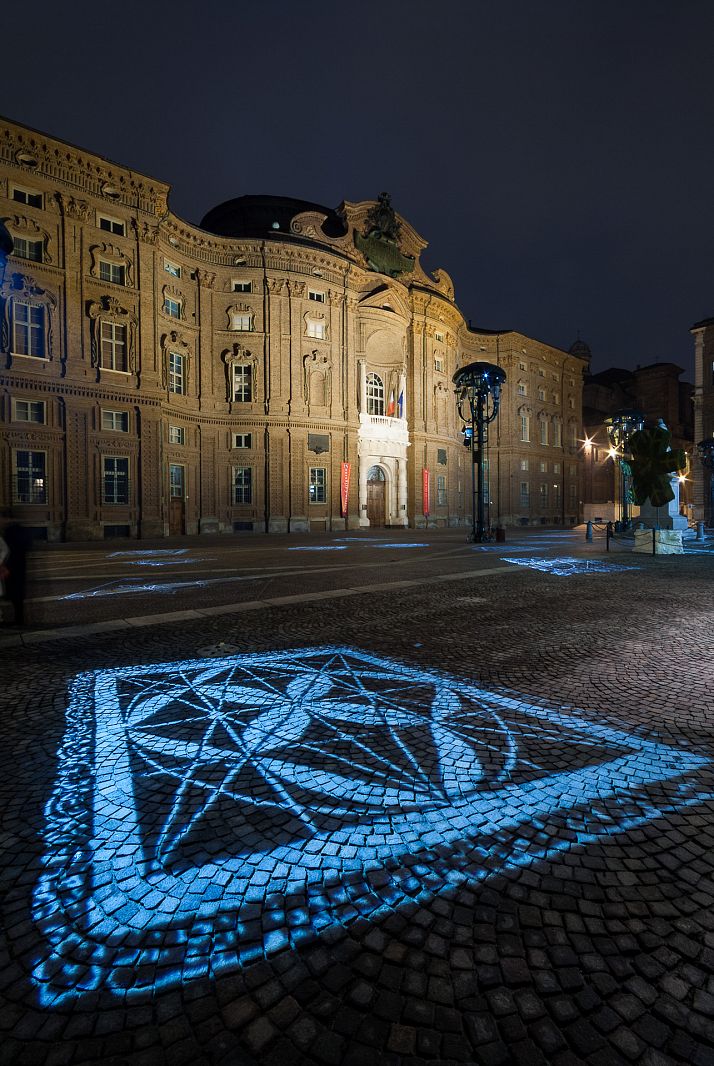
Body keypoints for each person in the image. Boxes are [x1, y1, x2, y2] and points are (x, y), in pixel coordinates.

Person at [0, 511, 31, 626]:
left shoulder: (10, 531)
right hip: (19, 567)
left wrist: (6, 566)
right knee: (17, 596)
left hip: (13, 568)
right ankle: (19, 619)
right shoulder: (20, 529)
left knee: (15, 595)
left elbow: (8, 550)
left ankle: (18, 620)